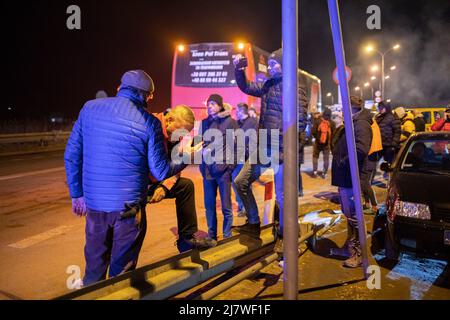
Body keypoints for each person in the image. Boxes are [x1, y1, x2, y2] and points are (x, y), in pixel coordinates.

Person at [64, 70, 191, 286]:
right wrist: (188, 155)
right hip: (129, 208)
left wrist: (77, 195)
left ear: (119, 88)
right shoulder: (149, 122)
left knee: (94, 268)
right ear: (147, 96)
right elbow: (160, 171)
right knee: (121, 275)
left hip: (95, 206)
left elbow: (72, 155)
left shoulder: (89, 108)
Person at [232, 48, 308, 245]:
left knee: (283, 198)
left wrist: (286, 151)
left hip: (283, 152)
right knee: (240, 181)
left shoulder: (295, 88)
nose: (270, 67)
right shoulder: (268, 85)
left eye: (275, 64)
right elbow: (247, 87)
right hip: (265, 148)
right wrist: (239, 70)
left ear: (286, 65)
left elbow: (300, 123)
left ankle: (287, 238)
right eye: (270, 64)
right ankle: (254, 222)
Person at [148, 106, 217, 253]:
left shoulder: (174, 134)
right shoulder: (149, 125)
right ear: (169, 120)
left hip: (155, 180)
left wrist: (165, 187)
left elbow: (174, 167)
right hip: (137, 182)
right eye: (181, 131)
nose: (181, 136)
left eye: (185, 133)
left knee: (186, 186)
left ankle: (186, 239)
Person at [330, 96, 373, 268]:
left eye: (343, 108)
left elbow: (361, 149)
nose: (340, 111)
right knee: (349, 214)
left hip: (351, 177)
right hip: (346, 176)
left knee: (355, 216)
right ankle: (349, 248)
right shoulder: (352, 123)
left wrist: (343, 162)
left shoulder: (360, 124)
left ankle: (358, 254)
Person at [199, 94, 238, 240]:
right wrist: (201, 166)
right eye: (208, 104)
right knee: (209, 206)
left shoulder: (230, 122)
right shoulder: (204, 123)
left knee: (226, 206)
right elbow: (199, 144)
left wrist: (230, 167)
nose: (209, 106)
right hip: (207, 171)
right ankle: (211, 236)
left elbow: (236, 147)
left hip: (223, 172)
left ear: (220, 105)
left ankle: (227, 235)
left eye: (213, 104)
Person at [232, 103, 259, 217]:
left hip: (247, 157)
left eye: (237, 111)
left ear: (241, 111)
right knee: (235, 180)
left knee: (243, 182)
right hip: (237, 157)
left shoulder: (253, 122)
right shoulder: (237, 123)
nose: (236, 113)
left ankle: (247, 208)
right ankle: (241, 205)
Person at [312, 107, 335, 179]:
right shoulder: (332, 123)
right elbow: (334, 134)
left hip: (317, 143)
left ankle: (315, 171)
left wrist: (317, 138)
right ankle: (324, 173)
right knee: (326, 159)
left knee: (315, 156)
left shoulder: (317, 121)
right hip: (327, 144)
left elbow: (313, 131)